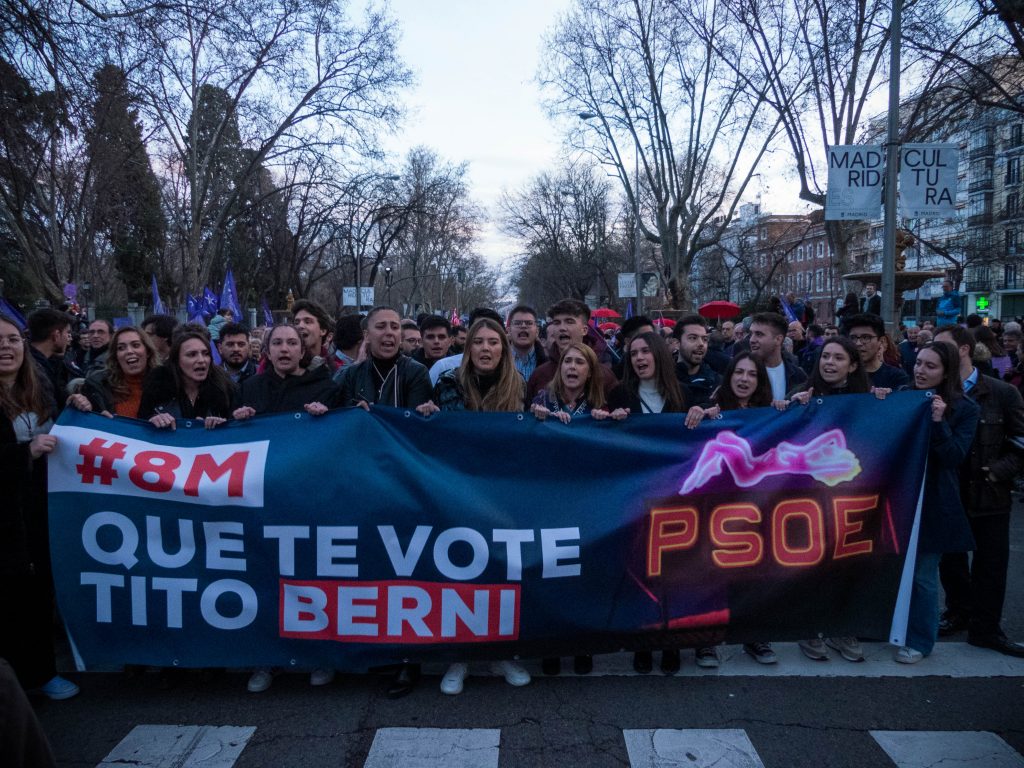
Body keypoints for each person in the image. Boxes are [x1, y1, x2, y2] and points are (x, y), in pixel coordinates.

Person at [415, 318, 532, 694]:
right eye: (478, 342)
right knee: (461, 573)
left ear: (503, 348)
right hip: (459, 490)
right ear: (468, 350)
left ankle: (502, 652)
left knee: (501, 574)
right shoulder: (449, 383)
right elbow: (455, 431)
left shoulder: (520, 386)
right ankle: (460, 656)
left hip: (504, 492)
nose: (485, 348)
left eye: (493, 342)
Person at [331, 306, 432, 698]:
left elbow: (413, 424)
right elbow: (333, 421)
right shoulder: (348, 376)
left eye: (394, 327)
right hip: (360, 484)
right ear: (366, 334)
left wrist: (377, 419)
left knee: (405, 573)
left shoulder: (415, 373)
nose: (389, 334)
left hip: (403, 485)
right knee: (369, 569)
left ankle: (408, 659)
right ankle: (370, 648)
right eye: (381, 327)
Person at [234, 323, 340, 692]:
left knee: (311, 578)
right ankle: (269, 658)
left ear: (303, 350)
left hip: (307, 499)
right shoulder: (249, 388)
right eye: (277, 342)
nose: (284, 349)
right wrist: (236, 421)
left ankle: (320, 654)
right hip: (262, 499)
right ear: (266, 350)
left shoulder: (325, 387)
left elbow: (341, 437)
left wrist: (327, 416)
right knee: (267, 578)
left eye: (291, 343)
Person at [531, 341, 623, 676]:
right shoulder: (542, 399)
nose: (572, 367)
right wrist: (534, 420)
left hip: (588, 500)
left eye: (579, 362)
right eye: (567, 361)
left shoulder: (600, 403)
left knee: (585, 573)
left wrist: (613, 421)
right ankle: (550, 645)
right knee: (551, 572)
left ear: (590, 370)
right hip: (551, 498)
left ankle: (583, 643)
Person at [0, 313, 79, 701]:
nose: (6, 347)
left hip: (39, 511)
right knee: (8, 595)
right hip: (5, 517)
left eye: (12, 339)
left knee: (36, 594)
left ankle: (41, 673)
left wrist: (80, 406)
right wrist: (24, 453)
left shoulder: (41, 389)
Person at [932, 325, 1024, 658]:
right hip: (949, 491)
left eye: (942, 347)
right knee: (951, 560)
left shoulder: (1002, 392)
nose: (935, 354)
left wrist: (1000, 471)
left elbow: (1020, 441)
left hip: (989, 492)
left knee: (991, 564)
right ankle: (958, 612)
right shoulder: (933, 392)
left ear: (964, 350)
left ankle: (987, 628)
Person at [687, 351, 780, 665]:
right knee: (711, 572)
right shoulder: (713, 410)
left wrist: (790, 408)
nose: (744, 379)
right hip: (715, 505)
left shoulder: (770, 413)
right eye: (739, 372)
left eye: (752, 374)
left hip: (756, 506)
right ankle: (705, 641)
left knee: (753, 573)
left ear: (760, 381)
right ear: (729, 377)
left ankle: (754, 637)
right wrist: (697, 414)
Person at [788, 337, 876, 662]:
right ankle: (809, 627)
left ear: (852, 366)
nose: (829, 363)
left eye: (838, 358)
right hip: (808, 495)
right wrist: (791, 407)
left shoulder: (867, 398)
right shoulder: (801, 393)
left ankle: (842, 628)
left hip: (851, 494)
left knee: (847, 564)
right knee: (809, 565)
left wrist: (885, 403)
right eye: (825, 356)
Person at [891, 341, 979, 663]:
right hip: (898, 497)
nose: (920, 370)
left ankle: (920, 641)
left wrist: (939, 423)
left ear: (946, 372)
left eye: (930, 366)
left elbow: (955, 456)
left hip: (934, 504)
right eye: (918, 363)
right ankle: (894, 629)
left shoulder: (965, 408)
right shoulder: (903, 395)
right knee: (895, 571)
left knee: (923, 577)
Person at [139, 327, 235, 429]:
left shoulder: (224, 386)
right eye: (192, 355)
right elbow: (141, 425)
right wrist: (153, 420)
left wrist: (223, 425)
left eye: (205, 354)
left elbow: (236, 427)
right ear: (177, 360)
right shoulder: (156, 385)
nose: (201, 360)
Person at [526, 299, 618, 402]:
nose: (562, 328)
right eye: (557, 323)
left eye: (569, 322)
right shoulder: (540, 375)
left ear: (584, 330)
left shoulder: (605, 376)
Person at [67, 327, 159, 418]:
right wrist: (80, 405)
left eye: (135, 345)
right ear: (116, 356)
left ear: (148, 352)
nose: (129, 351)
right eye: (121, 348)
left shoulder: (166, 384)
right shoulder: (98, 385)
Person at [747, 312, 807, 400]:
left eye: (759, 334)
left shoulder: (798, 376)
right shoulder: (741, 373)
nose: (752, 340)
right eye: (751, 334)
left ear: (778, 339)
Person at [27, 308, 76, 414]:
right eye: (67, 332)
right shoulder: (33, 370)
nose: (69, 338)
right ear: (56, 335)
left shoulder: (43, 363)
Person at [846, 314, 909, 390]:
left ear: (881, 341)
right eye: (853, 338)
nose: (858, 343)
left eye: (866, 337)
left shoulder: (897, 377)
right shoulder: (842, 375)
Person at [672, 315, 719, 406]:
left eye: (704, 339)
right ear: (677, 343)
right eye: (693, 338)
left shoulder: (716, 382)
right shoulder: (664, 381)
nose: (701, 344)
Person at [292, 299, 336, 372]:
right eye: (296, 323)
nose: (300, 326)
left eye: (307, 322)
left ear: (322, 330)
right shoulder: (284, 366)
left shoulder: (335, 368)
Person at [506, 304, 548, 381]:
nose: (523, 326)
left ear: (537, 331)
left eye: (529, 323)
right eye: (517, 323)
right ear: (509, 331)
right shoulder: (498, 362)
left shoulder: (548, 363)